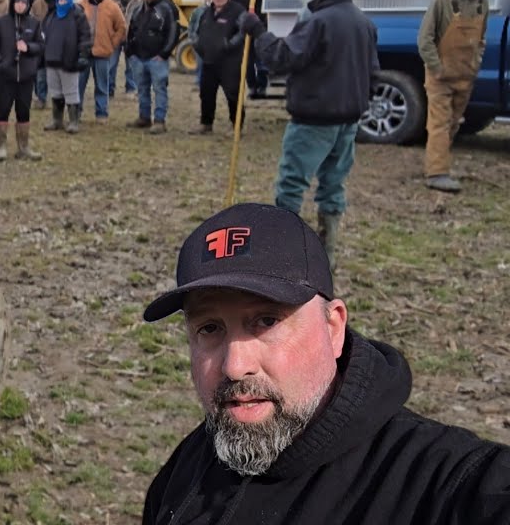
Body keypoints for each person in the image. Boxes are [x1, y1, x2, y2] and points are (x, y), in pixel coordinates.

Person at [142, 201, 510, 525]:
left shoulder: (441, 483)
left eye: (267, 321)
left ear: (333, 327)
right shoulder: (190, 466)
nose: (235, 366)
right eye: (209, 328)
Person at [238, 0, 379, 270]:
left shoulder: (319, 22)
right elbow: (373, 73)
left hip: (314, 120)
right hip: (348, 122)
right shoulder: (364, 23)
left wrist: (258, 30)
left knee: (291, 186)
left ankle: (283, 254)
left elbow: (281, 57)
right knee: (333, 187)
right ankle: (326, 256)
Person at [417, 0, 489, 193]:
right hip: (441, 77)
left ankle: (436, 163)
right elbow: (425, 39)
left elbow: (481, 40)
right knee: (439, 123)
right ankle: (437, 174)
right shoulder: (442, 2)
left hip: (465, 76)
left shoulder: (482, 4)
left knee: (453, 124)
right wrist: (436, 68)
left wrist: (475, 63)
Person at [0, 0, 44, 161]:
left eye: (23, 3)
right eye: (17, 2)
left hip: (26, 77)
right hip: (6, 75)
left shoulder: (34, 24)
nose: (20, 5)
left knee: (23, 111)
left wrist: (29, 47)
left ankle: (23, 147)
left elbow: (41, 46)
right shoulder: (1, 23)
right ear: (13, 4)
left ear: (28, 5)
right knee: (3, 109)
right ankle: (2, 147)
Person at [193, 0, 247, 135]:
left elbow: (243, 32)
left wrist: (229, 44)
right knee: (206, 93)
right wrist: (197, 44)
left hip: (229, 63)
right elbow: (197, 30)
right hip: (209, 60)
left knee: (233, 94)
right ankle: (206, 123)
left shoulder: (238, 11)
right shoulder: (206, 12)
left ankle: (236, 125)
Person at [126, 0, 178, 134]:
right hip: (139, 58)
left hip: (157, 59)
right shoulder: (138, 9)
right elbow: (131, 31)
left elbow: (174, 32)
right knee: (142, 89)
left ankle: (160, 121)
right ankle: (144, 117)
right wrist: (130, 51)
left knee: (159, 89)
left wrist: (164, 53)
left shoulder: (167, 9)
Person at [40, 0, 92, 134]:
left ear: (69, 0)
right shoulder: (51, 15)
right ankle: (57, 121)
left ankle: (73, 121)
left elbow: (85, 37)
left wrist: (83, 55)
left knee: (71, 92)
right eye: (59, 0)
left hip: (69, 60)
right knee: (55, 91)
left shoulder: (78, 15)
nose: (61, 2)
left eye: (64, 0)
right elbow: (43, 34)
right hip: (51, 60)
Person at [80, 0, 125, 124]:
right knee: (79, 85)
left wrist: (112, 45)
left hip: (103, 54)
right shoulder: (82, 6)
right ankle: (76, 113)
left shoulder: (112, 7)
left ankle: (101, 114)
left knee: (102, 85)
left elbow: (122, 27)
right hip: (84, 53)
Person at [230, 0, 268, 99]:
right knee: (247, 60)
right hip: (243, 27)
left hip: (259, 26)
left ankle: (262, 86)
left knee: (261, 58)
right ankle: (252, 86)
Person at [109, 0, 142, 97]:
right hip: (116, 35)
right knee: (111, 64)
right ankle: (109, 89)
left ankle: (130, 89)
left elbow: (140, 16)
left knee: (131, 65)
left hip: (131, 37)